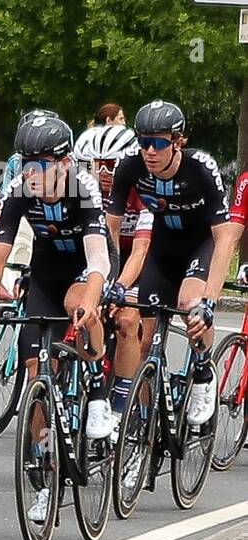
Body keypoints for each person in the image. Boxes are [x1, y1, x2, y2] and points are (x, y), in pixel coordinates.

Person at [0, 114, 112, 456]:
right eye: (25, 162)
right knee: (36, 371)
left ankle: (98, 390)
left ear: (65, 163)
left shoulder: (84, 187)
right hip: (46, 270)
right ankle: (43, 461)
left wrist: (91, 302)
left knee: (79, 305)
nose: (31, 171)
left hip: (86, 266)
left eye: (40, 164)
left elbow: (99, 262)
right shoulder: (19, 188)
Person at [104, 100, 235, 428]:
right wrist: (105, 281)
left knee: (190, 304)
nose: (150, 150)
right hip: (163, 249)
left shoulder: (201, 167)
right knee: (146, 342)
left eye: (159, 142)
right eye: (143, 141)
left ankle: (204, 373)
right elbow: (109, 231)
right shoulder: (130, 167)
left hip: (200, 245)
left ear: (178, 142)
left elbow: (224, 239)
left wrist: (210, 300)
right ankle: (145, 427)